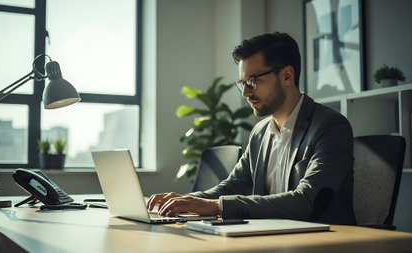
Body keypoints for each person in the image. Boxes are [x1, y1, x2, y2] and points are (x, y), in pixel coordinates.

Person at [147, 32, 356, 225]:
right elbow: (233, 186)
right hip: (272, 239)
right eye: (242, 83)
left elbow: (307, 201)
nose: (245, 93)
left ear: (287, 76)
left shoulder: (330, 126)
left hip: (323, 243)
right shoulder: (260, 132)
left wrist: (218, 206)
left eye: (253, 81)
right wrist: (186, 201)